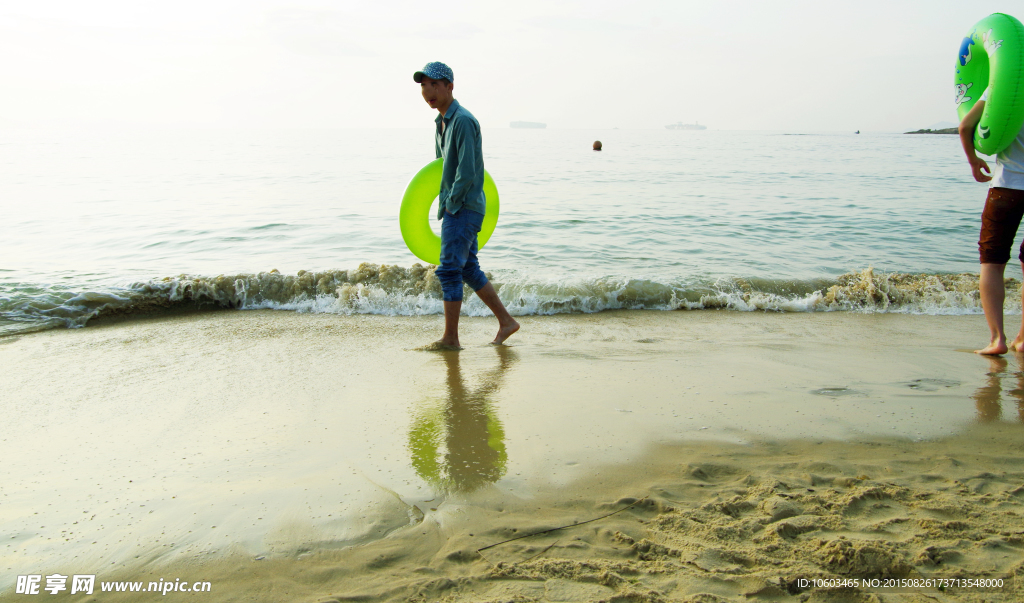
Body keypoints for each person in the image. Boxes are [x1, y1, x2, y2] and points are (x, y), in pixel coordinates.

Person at [414, 61, 519, 349]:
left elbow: (469, 171)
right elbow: (441, 168)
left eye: (434, 84)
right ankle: (507, 322)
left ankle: (450, 339)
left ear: (449, 86)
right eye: (423, 85)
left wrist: (451, 204)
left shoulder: (463, 121)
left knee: (448, 270)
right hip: (457, 206)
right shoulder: (441, 123)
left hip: (463, 207)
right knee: (467, 268)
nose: (428, 91)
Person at [960, 87, 1024, 355]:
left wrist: (974, 161)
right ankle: (1022, 339)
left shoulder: (1004, 82)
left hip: (1007, 185)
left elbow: (965, 126)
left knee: (992, 262)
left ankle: (997, 340)